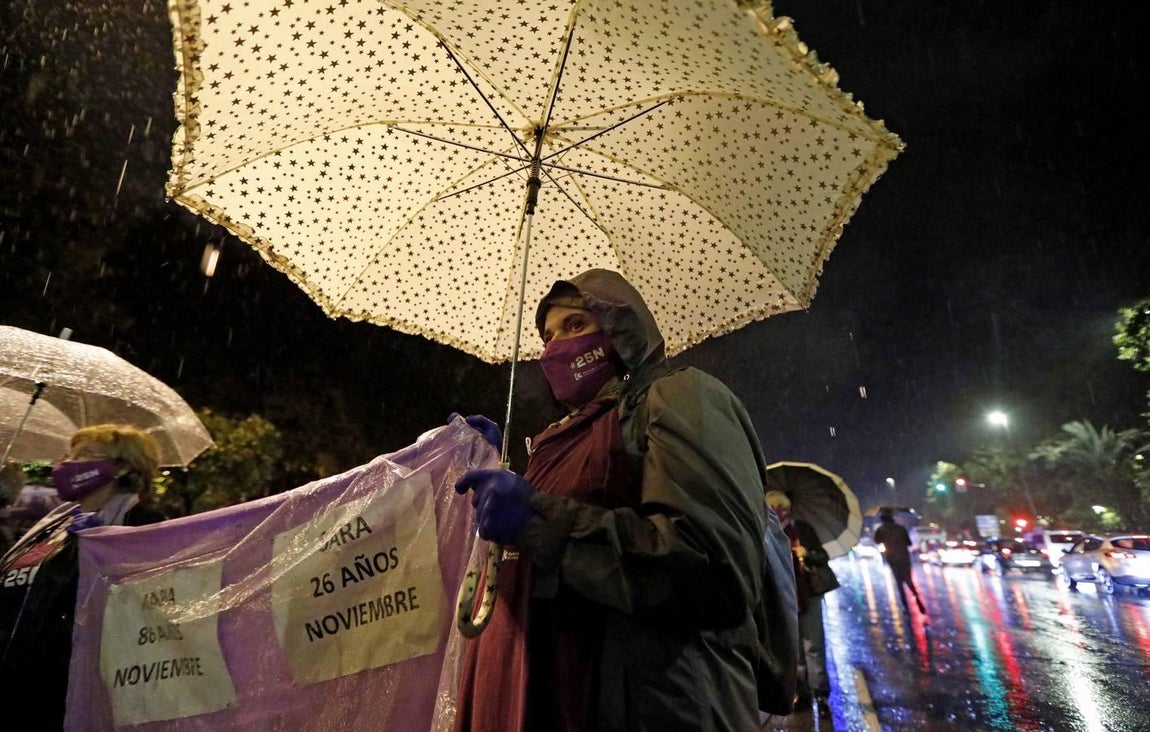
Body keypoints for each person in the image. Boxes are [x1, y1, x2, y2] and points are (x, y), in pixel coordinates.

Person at [450, 269, 797, 731]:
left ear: (622, 329)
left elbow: (709, 568)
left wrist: (535, 518)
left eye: (576, 326)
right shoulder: (563, 438)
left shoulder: (681, 398)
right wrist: (493, 470)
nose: (556, 347)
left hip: (658, 706)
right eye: (548, 336)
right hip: (569, 700)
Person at [0, 424, 167, 730]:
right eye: (69, 454)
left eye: (86, 454)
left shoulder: (142, 525)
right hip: (17, 680)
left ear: (121, 468)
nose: (69, 463)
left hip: (64, 689)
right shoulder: (54, 525)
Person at [764, 490, 836, 720]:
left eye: (782, 506)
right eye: (774, 507)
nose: (779, 511)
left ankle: (821, 695)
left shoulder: (803, 530)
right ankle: (801, 692)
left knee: (813, 646)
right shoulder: (767, 533)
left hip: (808, 595)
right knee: (793, 651)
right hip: (783, 600)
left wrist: (808, 554)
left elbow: (822, 557)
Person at [873, 507, 927, 615]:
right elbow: (909, 543)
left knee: (899, 584)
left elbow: (877, 541)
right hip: (904, 558)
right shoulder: (900, 528)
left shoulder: (881, 530)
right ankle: (918, 600)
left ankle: (906, 607)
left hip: (892, 559)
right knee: (909, 581)